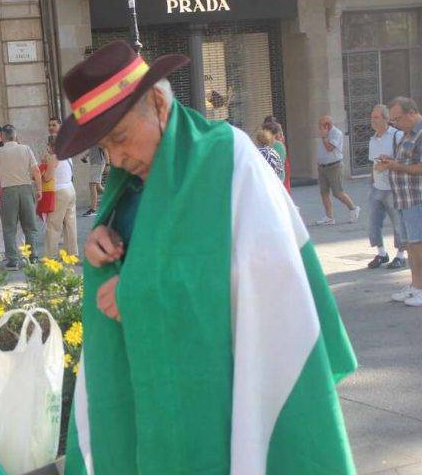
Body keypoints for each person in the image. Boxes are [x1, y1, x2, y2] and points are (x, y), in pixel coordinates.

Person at [55, 40, 356, 475]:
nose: (115, 157)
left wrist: (140, 290)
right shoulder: (128, 182)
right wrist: (100, 242)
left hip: (225, 384)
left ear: (158, 104)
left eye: (119, 138)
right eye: (103, 149)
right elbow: (147, 251)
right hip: (160, 388)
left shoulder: (226, 154)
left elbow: (269, 273)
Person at [376, 97, 422, 305]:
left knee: (418, 244)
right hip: (403, 197)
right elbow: (406, 161)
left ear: (412, 112)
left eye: (398, 118)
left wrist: (395, 167)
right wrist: (391, 161)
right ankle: (415, 285)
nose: (395, 123)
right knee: (411, 245)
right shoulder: (406, 134)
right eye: (393, 120)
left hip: (416, 197)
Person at [0, 124, 42, 270]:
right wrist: (39, 190)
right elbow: (36, 171)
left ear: (3, 137)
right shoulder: (26, 149)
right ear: (15, 135)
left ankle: (13, 261)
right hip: (26, 189)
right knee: (30, 227)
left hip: (8, 191)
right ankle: (33, 257)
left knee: (9, 228)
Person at [366, 104, 406, 269]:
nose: (373, 121)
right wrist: (372, 180)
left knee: (398, 222)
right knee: (373, 222)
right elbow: (372, 163)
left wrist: (387, 162)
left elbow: (405, 159)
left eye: (376, 117)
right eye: (372, 117)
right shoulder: (372, 139)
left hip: (394, 188)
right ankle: (382, 253)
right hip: (377, 187)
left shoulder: (397, 136)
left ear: (386, 119)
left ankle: (401, 255)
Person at [315, 115, 360, 225]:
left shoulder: (336, 133)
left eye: (321, 125)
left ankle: (353, 208)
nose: (319, 127)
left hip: (334, 166)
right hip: (322, 166)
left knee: (337, 192)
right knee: (324, 192)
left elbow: (330, 148)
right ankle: (329, 217)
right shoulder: (323, 134)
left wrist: (325, 137)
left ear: (327, 125)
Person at [42, 134, 78, 259]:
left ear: (51, 146)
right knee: (70, 223)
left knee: (53, 225)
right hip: (70, 189)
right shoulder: (67, 156)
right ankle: (72, 253)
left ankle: (51, 255)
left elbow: (47, 177)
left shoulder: (53, 157)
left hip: (59, 191)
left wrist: (42, 169)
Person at [81, 146, 107, 217]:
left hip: (98, 164)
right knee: (98, 186)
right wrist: (84, 156)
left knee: (92, 185)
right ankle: (111, 195)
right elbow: (91, 149)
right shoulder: (93, 139)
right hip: (95, 164)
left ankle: (93, 209)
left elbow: (105, 150)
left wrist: (107, 164)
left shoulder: (99, 139)